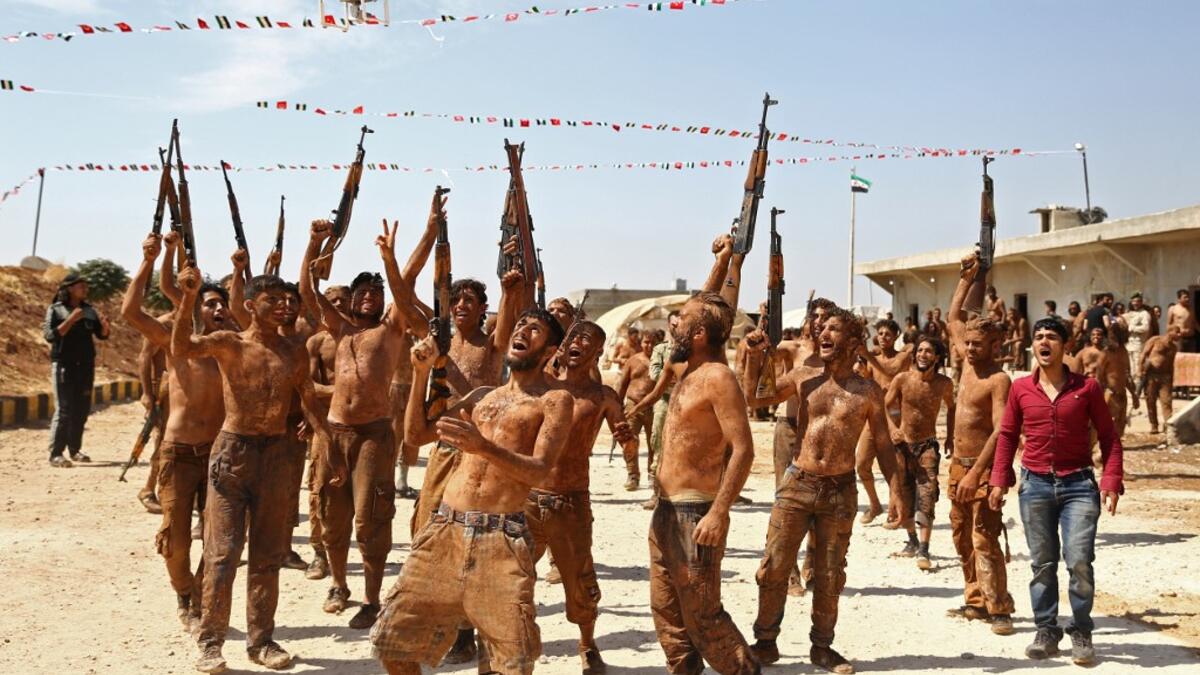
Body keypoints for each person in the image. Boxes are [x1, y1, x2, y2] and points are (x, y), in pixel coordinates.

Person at [371, 309, 572, 675]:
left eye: (535, 329)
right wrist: (420, 374)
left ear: (551, 350)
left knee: (509, 662)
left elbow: (541, 471)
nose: (522, 330)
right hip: (444, 532)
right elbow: (416, 436)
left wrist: (483, 447)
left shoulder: (554, 401)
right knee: (393, 641)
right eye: (521, 324)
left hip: (501, 538)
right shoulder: (483, 396)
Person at [172, 267, 332, 673]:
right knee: (222, 555)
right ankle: (210, 642)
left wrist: (326, 444)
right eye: (272, 300)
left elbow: (308, 397)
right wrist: (187, 297)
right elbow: (183, 348)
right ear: (249, 305)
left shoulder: (295, 350)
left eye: (287, 300)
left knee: (267, 556)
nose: (283, 306)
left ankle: (261, 640)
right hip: (233, 454)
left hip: (276, 456)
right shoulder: (230, 343)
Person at [747, 307, 901, 674]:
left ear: (852, 342)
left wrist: (896, 493)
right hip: (798, 483)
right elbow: (757, 398)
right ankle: (765, 641)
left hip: (840, 491)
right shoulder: (804, 377)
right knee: (773, 567)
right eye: (821, 328)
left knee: (830, 574)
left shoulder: (867, 392)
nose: (822, 333)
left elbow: (882, 444)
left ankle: (822, 647)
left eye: (833, 329)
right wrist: (756, 357)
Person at [298, 218, 428, 630]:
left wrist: (412, 239)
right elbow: (306, 291)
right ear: (351, 298)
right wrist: (313, 242)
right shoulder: (338, 328)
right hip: (334, 434)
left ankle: (372, 600)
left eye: (376, 292)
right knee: (333, 517)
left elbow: (409, 277)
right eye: (363, 292)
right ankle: (339, 585)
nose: (370, 297)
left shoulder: (390, 329)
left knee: (370, 517)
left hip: (373, 434)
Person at [989, 317, 1124, 666]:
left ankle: (1080, 629)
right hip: (1034, 485)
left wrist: (1111, 479)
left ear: (1066, 345)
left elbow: (1109, 436)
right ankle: (1046, 629)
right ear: (1032, 346)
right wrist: (999, 477)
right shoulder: (1021, 389)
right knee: (1042, 563)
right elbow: (1006, 435)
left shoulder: (1087, 388)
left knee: (1079, 561)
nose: (1043, 341)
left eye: (1051, 336)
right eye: (1038, 337)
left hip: (1078, 484)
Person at [122, 233, 232, 633]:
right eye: (210, 302)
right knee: (176, 539)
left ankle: (202, 599)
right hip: (177, 453)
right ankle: (184, 592)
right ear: (197, 308)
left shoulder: (232, 346)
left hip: (220, 455)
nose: (218, 308)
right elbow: (131, 312)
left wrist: (239, 270)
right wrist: (150, 259)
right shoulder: (176, 343)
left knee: (219, 538)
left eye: (223, 303)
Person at [649, 291, 759, 675]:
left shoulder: (718, 378)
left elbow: (744, 450)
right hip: (664, 509)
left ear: (698, 334)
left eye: (681, 318)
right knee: (667, 611)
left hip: (694, 513)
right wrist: (722, 260)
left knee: (703, 615)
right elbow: (710, 303)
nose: (673, 323)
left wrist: (718, 512)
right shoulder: (688, 370)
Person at [531, 320, 635, 672]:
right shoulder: (541, 385)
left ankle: (588, 644)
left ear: (597, 352)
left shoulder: (602, 397)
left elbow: (628, 444)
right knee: (514, 572)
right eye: (572, 337)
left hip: (571, 500)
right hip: (529, 497)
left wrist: (629, 440)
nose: (576, 342)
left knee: (580, 579)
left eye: (586, 340)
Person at [944, 253, 1016, 635]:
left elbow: (1002, 430)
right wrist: (966, 277)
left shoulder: (998, 380)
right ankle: (975, 599)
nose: (970, 349)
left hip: (981, 469)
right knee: (960, 536)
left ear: (994, 344)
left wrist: (977, 473)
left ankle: (999, 606)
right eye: (968, 344)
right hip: (957, 465)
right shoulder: (967, 366)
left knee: (984, 536)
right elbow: (953, 318)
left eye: (977, 344)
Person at [884, 336, 955, 570]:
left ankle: (924, 549)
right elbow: (885, 406)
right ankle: (912, 540)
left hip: (927, 446)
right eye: (920, 350)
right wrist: (893, 428)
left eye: (928, 351)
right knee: (904, 497)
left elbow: (952, 409)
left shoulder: (944, 383)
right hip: (903, 447)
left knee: (927, 494)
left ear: (936, 357)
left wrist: (951, 438)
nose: (923, 355)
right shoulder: (902, 379)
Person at [302, 283, 351, 581]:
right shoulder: (317, 343)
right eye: (332, 301)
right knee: (319, 490)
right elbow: (308, 387)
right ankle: (319, 553)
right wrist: (343, 391)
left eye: (343, 301)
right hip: (326, 426)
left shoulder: (363, 339)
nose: (338, 305)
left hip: (359, 427)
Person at [42, 270, 110, 467]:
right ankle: (56, 453)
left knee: (81, 410)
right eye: (81, 286)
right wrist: (71, 320)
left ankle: (74, 450)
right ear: (69, 289)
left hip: (85, 366)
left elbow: (101, 335)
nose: (85, 289)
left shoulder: (89, 310)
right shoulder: (55, 309)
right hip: (64, 365)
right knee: (64, 410)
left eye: (85, 286)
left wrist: (105, 327)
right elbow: (50, 335)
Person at [856, 319, 911, 525]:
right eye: (880, 333)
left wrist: (867, 354)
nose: (883, 337)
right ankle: (875, 504)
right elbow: (870, 380)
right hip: (874, 416)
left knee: (894, 467)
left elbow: (890, 371)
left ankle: (894, 509)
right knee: (862, 464)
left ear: (896, 336)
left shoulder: (903, 357)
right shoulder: (871, 358)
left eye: (887, 334)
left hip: (895, 416)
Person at [617, 329, 658, 490]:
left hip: (654, 407)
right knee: (629, 441)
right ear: (641, 343)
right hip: (632, 406)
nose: (649, 346)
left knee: (653, 444)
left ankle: (652, 474)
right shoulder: (633, 360)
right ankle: (632, 475)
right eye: (646, 342)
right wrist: (617, 406)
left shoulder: (661, 362)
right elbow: (622, 384)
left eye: (653, 343)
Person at [135, 332, 168, 513]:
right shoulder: (161, 326)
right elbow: (145, 357)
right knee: (164, 443)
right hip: (165, 393)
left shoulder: (199, 324)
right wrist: (147, 393)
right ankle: (148, 489)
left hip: (191, 394)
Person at [1139, 325, 1180, 434]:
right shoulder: (1155, 340)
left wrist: (1172, 378)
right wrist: (1140, 370)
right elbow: (1143, 354)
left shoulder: (1174, 347)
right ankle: (1154, 425)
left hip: (1165, 377)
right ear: (1170, 332)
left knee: (1167, 401)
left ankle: (1168, 424)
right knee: (1150, 401)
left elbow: (1171, 364)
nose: (1179, 335)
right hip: (1151, 375)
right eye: (1177, 332)